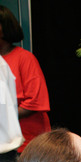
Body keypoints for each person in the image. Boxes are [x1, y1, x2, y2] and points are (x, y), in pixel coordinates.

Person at [0, 5, 51, 153]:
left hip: (28, 146)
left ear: (4, 28)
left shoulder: (24, 58)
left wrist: (5, 114)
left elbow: (35, 102)